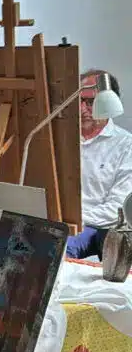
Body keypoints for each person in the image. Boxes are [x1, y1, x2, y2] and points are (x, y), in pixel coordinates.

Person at [67, 69, 132, 259]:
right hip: (67, 223)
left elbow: (118, 208)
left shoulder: (126, 144)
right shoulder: (61, 140)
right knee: (53, 251)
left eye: (91, 102)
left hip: (105, 225)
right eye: (79, 101)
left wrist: (73, 219)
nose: (82, 109)